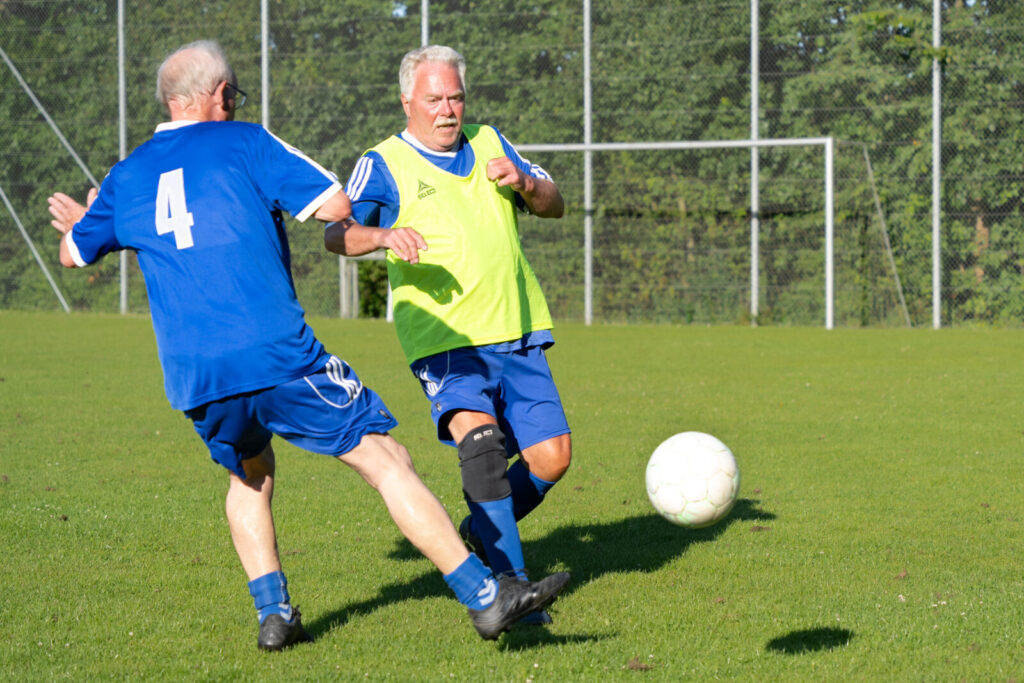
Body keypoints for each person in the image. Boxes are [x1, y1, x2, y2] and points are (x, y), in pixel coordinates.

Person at [47, 40, 568, 651]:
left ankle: (274, 614)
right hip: (276, 354)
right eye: (233, 95)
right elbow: (334, 204)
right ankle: (487, 595)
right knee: (385, 459)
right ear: (220, 96)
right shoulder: (245, 141)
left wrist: (97, 215)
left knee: (250, 475)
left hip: (194, 377)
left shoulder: (126, 175)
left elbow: (73, 251)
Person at [326, 45, 571, 624]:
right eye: (434, 99)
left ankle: (478, 528)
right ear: (407, 99)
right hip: (444, 338)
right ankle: (510, 587)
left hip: (518, 327)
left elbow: (554, 204)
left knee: (553, 459)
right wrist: (383, 238)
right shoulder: (383, 160)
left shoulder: (492, 142)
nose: (447, 110)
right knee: (481, 444)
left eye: (456, 97)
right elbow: (337, 233)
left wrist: (528, 185)